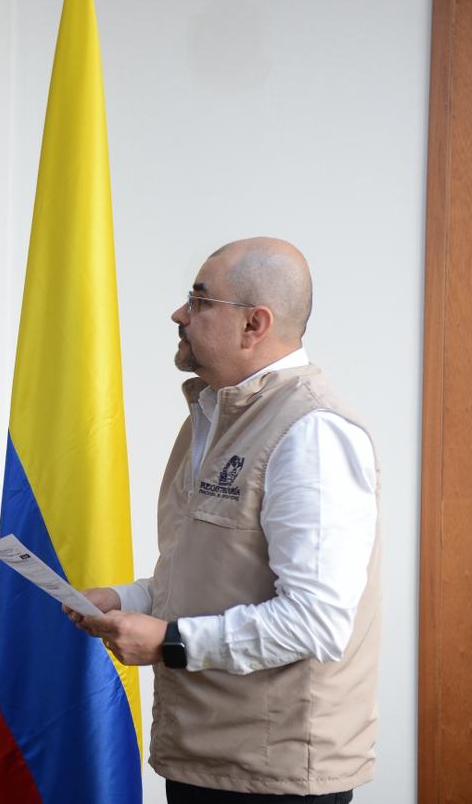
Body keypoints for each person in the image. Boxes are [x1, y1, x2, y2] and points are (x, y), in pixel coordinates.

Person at [69, 238, 380, 803]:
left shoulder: (310, 432)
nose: (179, 314)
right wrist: (129, 600)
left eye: (199, 299)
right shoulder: (212, 415)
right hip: (205, 760)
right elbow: (215, 574)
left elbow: (316, 620)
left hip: (272, 778)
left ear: (253, 324)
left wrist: (169, 641)